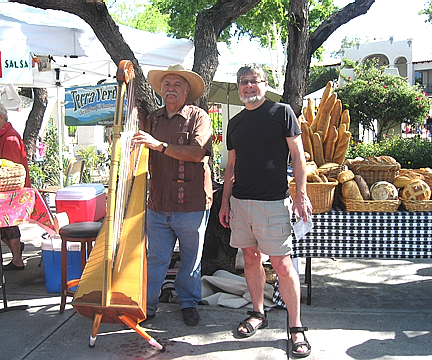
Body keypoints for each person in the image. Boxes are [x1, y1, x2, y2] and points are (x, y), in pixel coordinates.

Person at [219, 63, 312, 358]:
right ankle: (258, 312)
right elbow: (231, 166)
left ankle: (296, 327)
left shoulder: (282, 112)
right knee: (249, 259)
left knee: (283, 265)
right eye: (243, 82)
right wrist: (225, 202)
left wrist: (301, 194)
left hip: (273, 203)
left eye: (254, 81)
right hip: (240, 204)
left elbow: (298, 156)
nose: (248, 86)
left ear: (264, 84)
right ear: (238, 87)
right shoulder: (234, 123)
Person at [132, 64, 213, 326]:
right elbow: (134, 143)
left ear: (187, 91)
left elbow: (197, 153)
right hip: (158, 202)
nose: (170, 89)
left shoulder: (199, 117)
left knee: (191, 258)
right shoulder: (152, 119)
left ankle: (188, 302)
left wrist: (160, 146)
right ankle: (148, 305)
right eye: (166, 84)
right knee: (156, 258)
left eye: (177, 85)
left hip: (191, 202)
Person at [0, 103, 31, 271]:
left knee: (8, 223)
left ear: (1, 118)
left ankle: (17, 259)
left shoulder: (10, 137)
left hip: (10, 190)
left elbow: (10, 168)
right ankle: (16, 250)